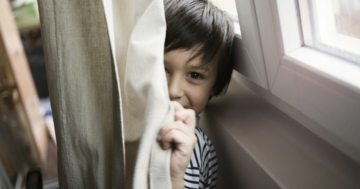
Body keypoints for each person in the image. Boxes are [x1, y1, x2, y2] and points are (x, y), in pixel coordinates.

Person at [156, 0, 235, 188]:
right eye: (163, 68)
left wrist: (174, 178)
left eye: (194, 75)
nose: (173, 90)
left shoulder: (192, 150)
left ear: (215, 86)